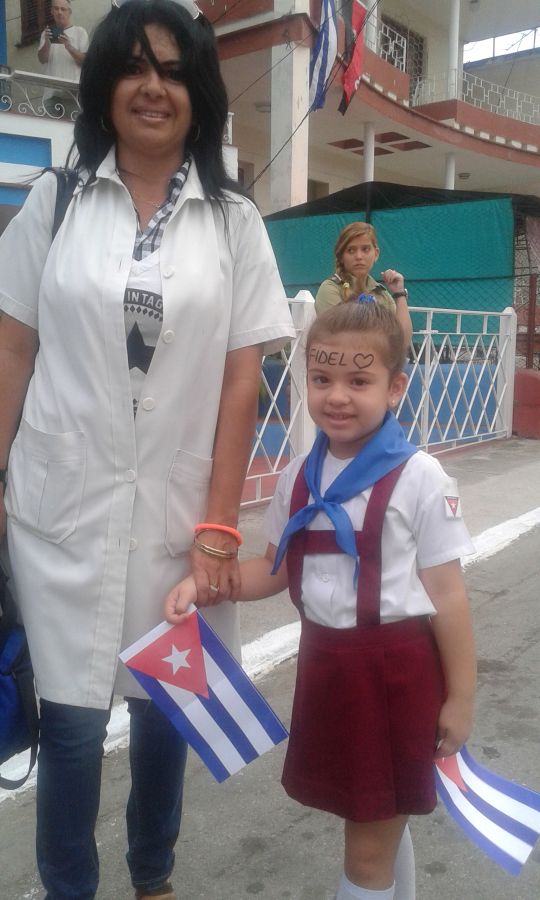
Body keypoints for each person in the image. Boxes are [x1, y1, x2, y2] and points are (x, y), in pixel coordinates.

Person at [0, 1, 294, 898]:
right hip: (62, 510)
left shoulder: (234, 222)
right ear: (104, 88)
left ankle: (153, 874)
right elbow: (13, 346)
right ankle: (68, 888)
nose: (152, 87)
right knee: (75, 728)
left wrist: (218, 523)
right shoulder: (56, 200)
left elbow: (241, 380)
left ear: (198, 94)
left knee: (170, 708)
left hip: (175, 515)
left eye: (171, 71)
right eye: (133, 67)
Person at [166, 302, 477, 900]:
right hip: (328, 669)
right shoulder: (299, 476)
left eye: (359, 381)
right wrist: (201, 588)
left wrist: (461, 699)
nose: (338, 395)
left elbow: (449, 596)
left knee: (367, 847)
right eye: (322, 378)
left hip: (394, 674)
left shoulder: (420, 477)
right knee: (374, 819)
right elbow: (271, 571)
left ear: (395, 389)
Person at [315, 221, 413, 349]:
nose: (359, 256)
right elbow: (347, 341)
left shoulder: (381, 293)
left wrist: (399, 293)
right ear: (341, 256)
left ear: (376, 254)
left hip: (380, 366)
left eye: (365, 249)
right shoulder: (330, 289)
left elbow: (402, 341)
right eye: (351, 250)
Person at [37, 0, 89, 117]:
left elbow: (85, 61)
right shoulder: (46, 34)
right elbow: (42, 59)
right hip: (52, 94)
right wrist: (47, 42)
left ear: (69, 12)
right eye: (56, 9)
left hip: (74, 94)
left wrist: (69, 47)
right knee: (51, 131)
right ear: (51, 11)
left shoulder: (80, 32)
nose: (59, 12)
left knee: (74, 133)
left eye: (63, 9)